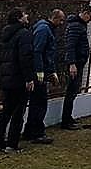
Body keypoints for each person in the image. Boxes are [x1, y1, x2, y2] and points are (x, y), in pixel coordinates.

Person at [0, 7, 34, 154]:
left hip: (6, 78)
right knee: (18, 112)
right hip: (19, 78)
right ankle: (11, 144)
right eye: (24, 15)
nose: (27, 16)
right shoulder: (24, 34)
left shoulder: (5, 34)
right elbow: (26, 57)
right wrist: (29, 78)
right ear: (19, 18)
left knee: (6, 111)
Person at [22, 9, 65, 145]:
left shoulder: (45, 28)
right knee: (40, 103)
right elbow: (38, 51)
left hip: (42, 70)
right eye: (61, 20)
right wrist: (40, 71)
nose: (62, 23)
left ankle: (30, 131)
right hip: (38, 73)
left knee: (37, 103)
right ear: (55, 18)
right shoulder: (44, 30)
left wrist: (52, 71)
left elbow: (47, 53)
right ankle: (37, 133)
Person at [60, 5, 91, 130]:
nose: (90, 19)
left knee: (74, 91)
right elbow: (70, 46)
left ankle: (68, 117)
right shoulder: (75, 26)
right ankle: (66, 120)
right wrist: (72, 64)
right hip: (75, 64)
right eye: (90, 16)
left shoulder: (79, 26)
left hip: (78, 62)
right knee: (71, 91)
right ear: (85, 13)